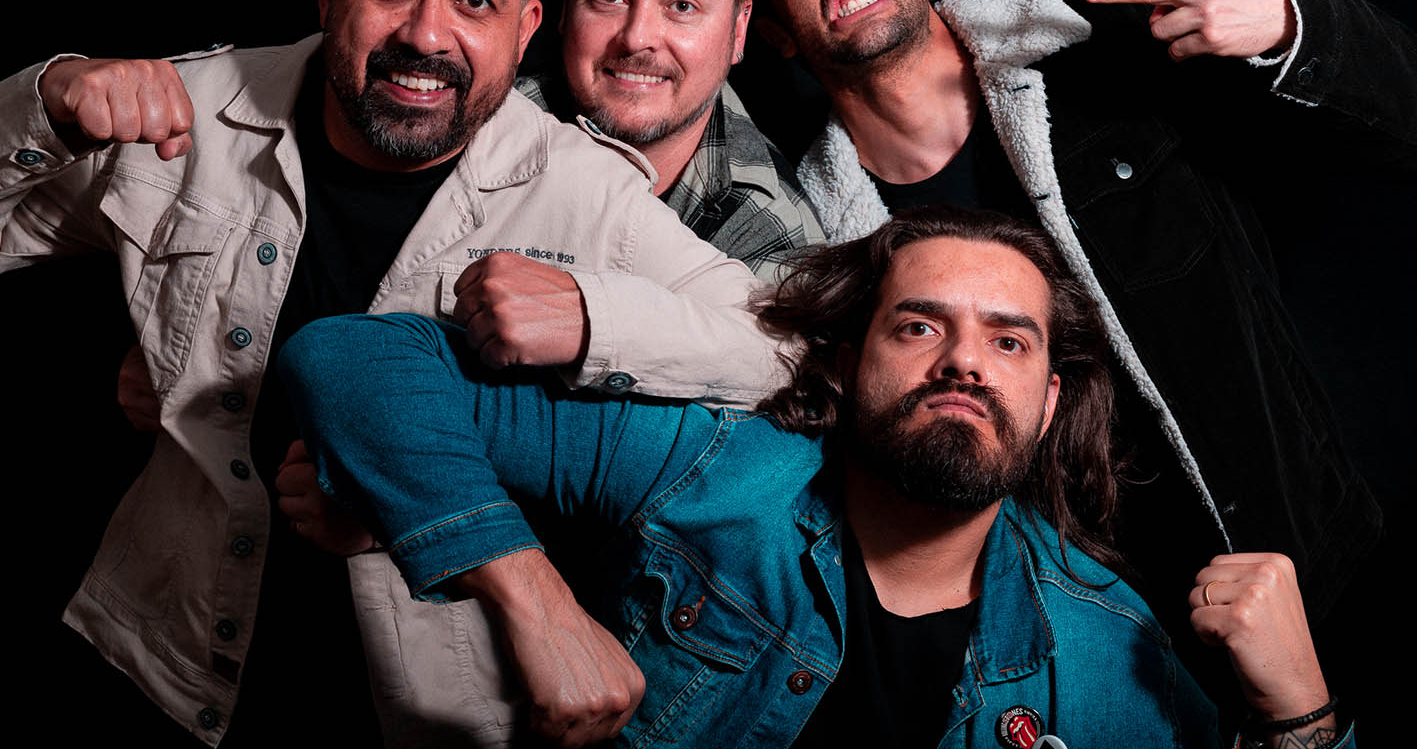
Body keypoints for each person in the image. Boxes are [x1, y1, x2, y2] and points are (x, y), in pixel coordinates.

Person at [0, 0, 783, 747]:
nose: (426, 34)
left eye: (474, 2)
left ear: (524, 27)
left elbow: (782, 349)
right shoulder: (193, 110)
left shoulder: (586, 192)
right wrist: (46, 98)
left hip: (429, 714)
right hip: (159, 659)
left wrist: (589, 316)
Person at [279, 205, 1351, 749]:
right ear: (843, 362)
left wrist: (1300, 711)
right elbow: (354, 356)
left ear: (1048, 401)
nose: (964, 362)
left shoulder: (1105, 647)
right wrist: (533, 598)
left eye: (1008, 341)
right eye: (919, 326)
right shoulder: (712, 472)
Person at [747, 0, 1414, 703]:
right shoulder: (819, 240)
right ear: (774, 30)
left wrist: (1287, 19)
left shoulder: (1110, 76)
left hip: (1313, 566)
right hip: (1086, 659)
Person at [516, 0, 822, 280]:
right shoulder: (485, 123)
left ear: (738, 30)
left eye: (682, 6)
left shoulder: (772, 230)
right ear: (567, 7)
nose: (636, 37)